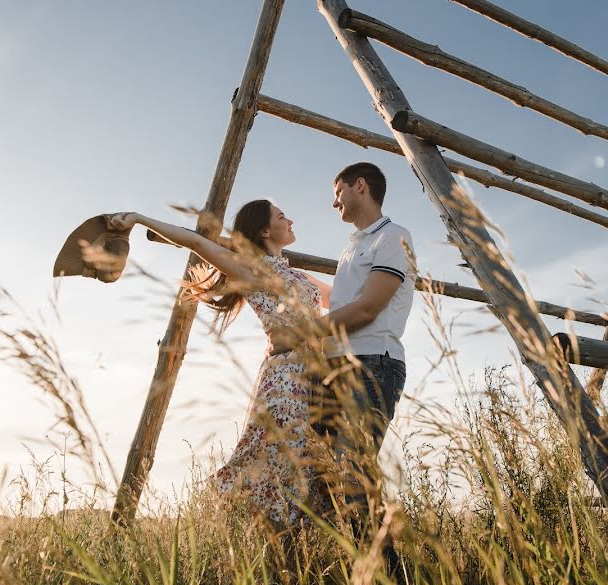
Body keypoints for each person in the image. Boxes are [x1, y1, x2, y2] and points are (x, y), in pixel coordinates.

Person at [106, 200, 332, 525]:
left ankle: (285, 546)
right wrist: (139, 218)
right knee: (273, 457)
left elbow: (344, 296)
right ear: (266, 230)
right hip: (284, 379)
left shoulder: (300, 276)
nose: (291, 219)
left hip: (316, 380)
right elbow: (197, 242)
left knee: (307, 462)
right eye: (283, 216)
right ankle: (223, 518)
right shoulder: (253, 270)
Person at [272, 162, 415, 546]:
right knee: (319, 472)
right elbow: (342, 300)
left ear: (360, 187)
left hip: (371, 364)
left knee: (353, 476)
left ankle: (388, 582)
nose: (334, 201)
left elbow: (368, 309)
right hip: (335, 367)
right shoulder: (353, 247)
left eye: (338, 192)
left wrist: (301, 333)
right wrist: (287, 277)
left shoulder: (393, 238)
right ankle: (339, 567)